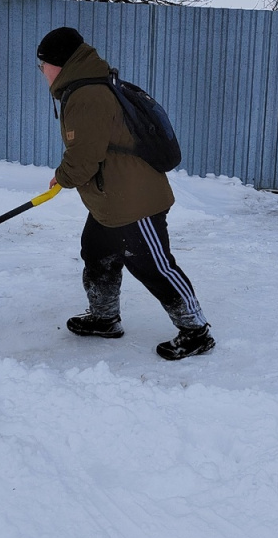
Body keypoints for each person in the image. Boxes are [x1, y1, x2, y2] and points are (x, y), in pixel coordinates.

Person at [36, 26, 215, 360]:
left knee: (154, 266)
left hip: (134, 201)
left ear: (57, 65)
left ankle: (196, 331)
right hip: (111, 200)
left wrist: (63, 176)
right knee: (96, 252)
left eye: (41, 65)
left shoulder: (87, 96)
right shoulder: (85, 87)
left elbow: (84, 158)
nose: (41, 72)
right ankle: (105, 318)